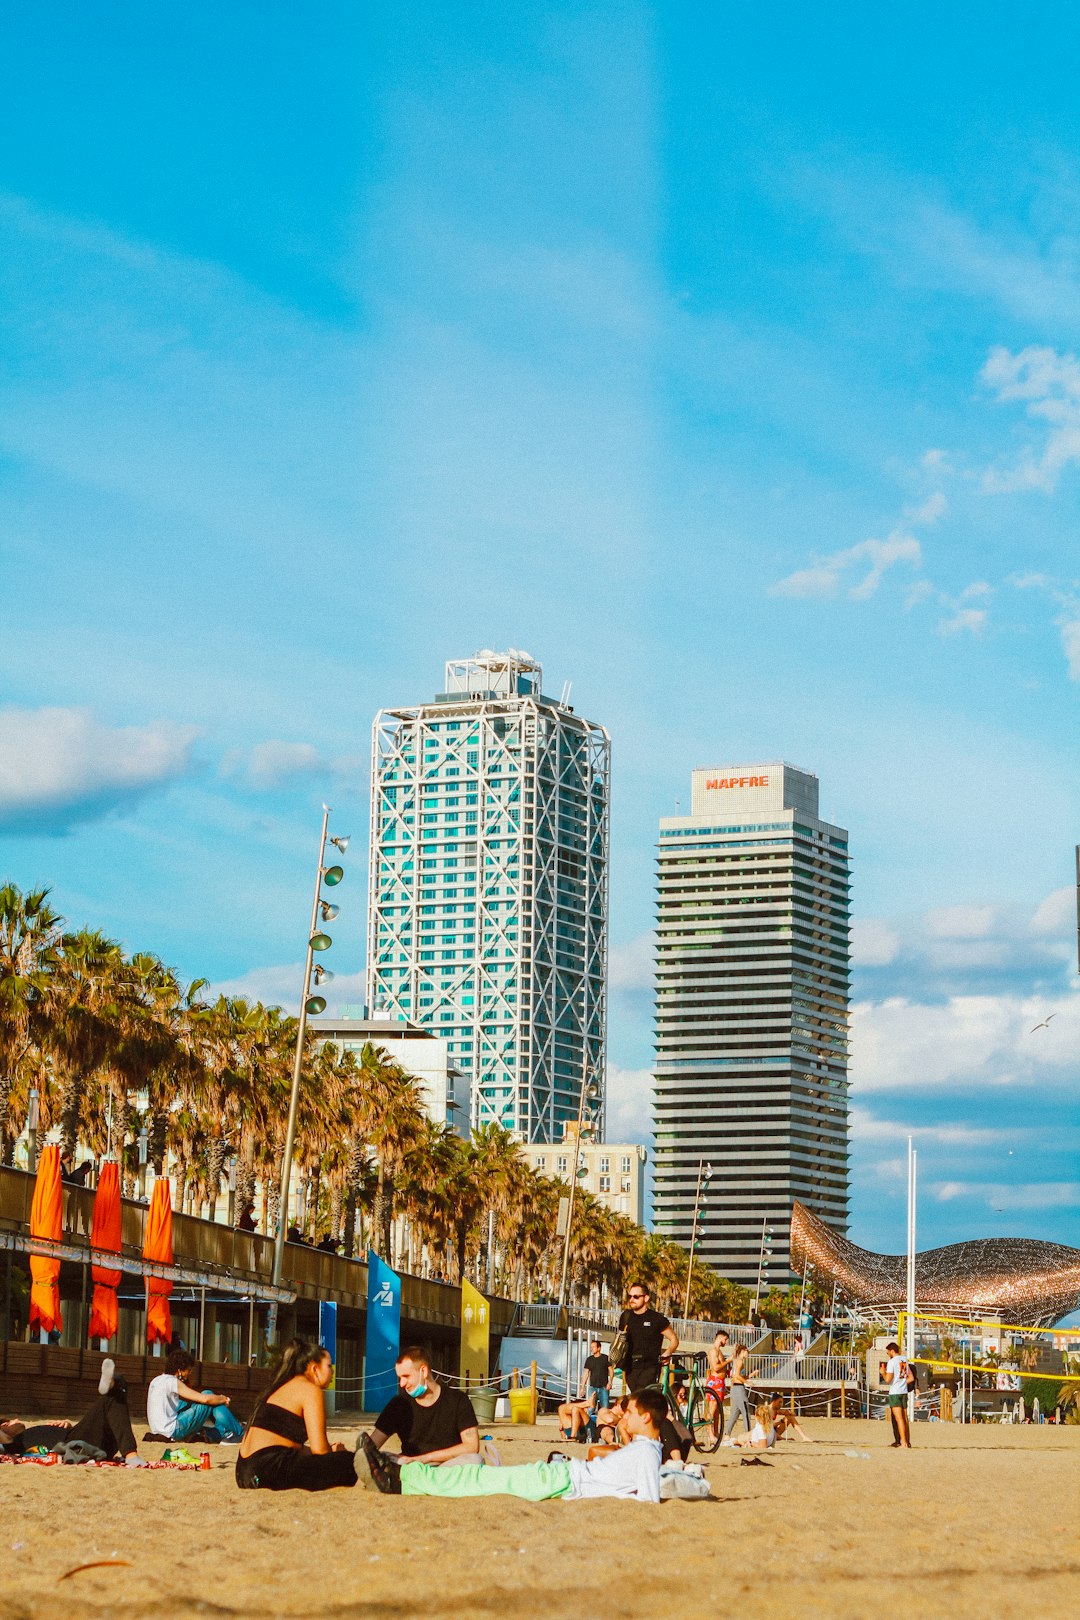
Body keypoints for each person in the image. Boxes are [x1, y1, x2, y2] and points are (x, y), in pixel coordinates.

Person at [355, 1388, 667, 1501]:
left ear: (647, 1418)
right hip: (560, 1475)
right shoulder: (644, 1448)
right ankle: (397, 1473)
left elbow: (648, 1499)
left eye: (629, 1412)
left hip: (562, 1480)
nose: (622, 1415)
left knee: (474, 1481)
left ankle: (398, 1478)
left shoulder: (646, 1454)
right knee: (476, 1480)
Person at [236, 1337, 357, 1491]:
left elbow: (287, 1446)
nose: (332, 1371)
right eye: (328, 1365)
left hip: (243, 1471)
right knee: (348, 1461)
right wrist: (335, 1454)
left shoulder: (280, 1387)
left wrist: (330, 1450)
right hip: (266, 1470)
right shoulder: (310, 1389)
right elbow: (319, 1450)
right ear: (314, 1369)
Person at [3, 1360, 146, 1465]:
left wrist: (67, 1425)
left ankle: (113, 1382)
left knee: (119, 1388)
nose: (16, 1420)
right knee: (110, 1398)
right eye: (10, 1422)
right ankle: (131, 1454)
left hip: (84, 1438)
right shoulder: (14, 1443)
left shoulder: (27, 1434)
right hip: (77, 1443)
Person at [368, 1349, 480, 1465]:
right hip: (411, 1468)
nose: (401, 1384)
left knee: (475, 1460)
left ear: (424, 1371)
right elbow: (371, 1445)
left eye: (406, 1376)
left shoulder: (458, 1400)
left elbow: (472, 1446)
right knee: (379, 1460)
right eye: (400, 1378)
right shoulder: (398, 1404)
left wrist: (425, 1458)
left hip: (448, 1467)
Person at [147, 1348, 246, 1444]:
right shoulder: (172, 1381)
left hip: (158, 1430)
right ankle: (238, 1432)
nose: (190, 1373)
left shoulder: (156, 1380)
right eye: (189, 1370)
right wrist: (222, 1399)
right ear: (179, 1370)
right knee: (208, 1394)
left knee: (209, 1402)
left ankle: (224, 1431)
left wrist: (215, 1400)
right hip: (172, 1430)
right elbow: (205, 1399)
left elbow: (183, 1405)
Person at [616, 1284, 678, 1392]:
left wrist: (668, 1352)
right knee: (636, 1400)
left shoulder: (657, 1319)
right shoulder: (625, 1317)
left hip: (649, 1367)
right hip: (630, 1367)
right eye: (629, 1296)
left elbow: (674, 1339)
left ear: (646, 1298)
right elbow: (621, 1339)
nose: (632, 1299)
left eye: (636, 1297)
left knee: (640, 1399)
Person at [880, 1341, 912, 1449]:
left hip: (895, 1392)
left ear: (892, 1351)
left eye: (888, 1352)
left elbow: (888, 1379)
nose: (888, 1354)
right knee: (904, 1418)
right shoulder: (904, 1360)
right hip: (903, 1390)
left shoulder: (892, 1362)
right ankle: (907, 1441)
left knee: (899, 1419)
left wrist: (883, 1372)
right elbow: (908, 1377)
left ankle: (903, 1442)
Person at [726, 1343, 756, 1436]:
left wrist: (751, 1375)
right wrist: (748, 1383)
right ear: (743, 1351)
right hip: (738, 1389)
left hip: (736, 1388)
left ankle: (727, 1434)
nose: (748, 1355)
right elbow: (737, 1376)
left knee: (735, 1413)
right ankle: (748, 1434)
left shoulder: (737, 1361)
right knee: (746, 1412)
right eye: (747, 1352)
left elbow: (740, 1376)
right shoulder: (739, 1362)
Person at [580, 1338, 610, 1411]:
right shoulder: (589, 1359)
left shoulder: (605, 1358)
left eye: (593, 1347)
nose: (591, 1349)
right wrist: (582, 1388)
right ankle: (588, 1422)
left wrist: (610, 1382)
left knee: (605, 1408)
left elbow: (611, 1371)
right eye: (591, 1347)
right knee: (590, 1409)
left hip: (604, 1387)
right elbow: (586, 1373)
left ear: (599, 1348)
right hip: (593, 1387)